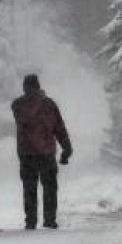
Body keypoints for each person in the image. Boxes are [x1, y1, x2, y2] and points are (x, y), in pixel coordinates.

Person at [10, 74, 73, 230]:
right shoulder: (48, 105)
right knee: (50, 187)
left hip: (27, 153)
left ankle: (30, 221)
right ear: (38, 86)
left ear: (24, 87)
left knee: (29, 188)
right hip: (46, 152)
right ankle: (49, 220)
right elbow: (59, 127)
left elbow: (21, 114)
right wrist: (66, 148)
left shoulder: (18, 106)